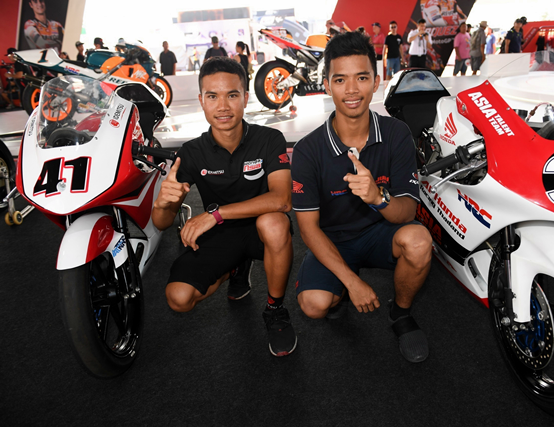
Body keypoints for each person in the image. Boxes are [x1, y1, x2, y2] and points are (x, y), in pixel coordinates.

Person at [291, 32, 433, 363]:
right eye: (340, 79)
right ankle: (340, 291)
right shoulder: (308, 150)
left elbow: (407, 213)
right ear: (327, 85)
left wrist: (377, 197)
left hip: (381, 233)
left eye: (362, 78)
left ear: (376, 81)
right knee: (314, 305)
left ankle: (400, 313)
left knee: (419, 242)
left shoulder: (397, 133)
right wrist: (352, 282)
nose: (352, 90)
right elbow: (308, 230)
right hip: (333, 240)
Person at [151, 57, 297, 357]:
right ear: (201, 101)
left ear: (245, 97)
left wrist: (215, 215)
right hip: (222, 235)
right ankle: (235, 267)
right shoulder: (191, 152)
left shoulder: (269, 139)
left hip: (260, 229)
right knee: (179, 298)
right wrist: (164, 203)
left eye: (231, 95)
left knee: (273, 223)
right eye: (212, 96)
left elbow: (282, 200)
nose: (223, 106)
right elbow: (162, 222)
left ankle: (274, 309)